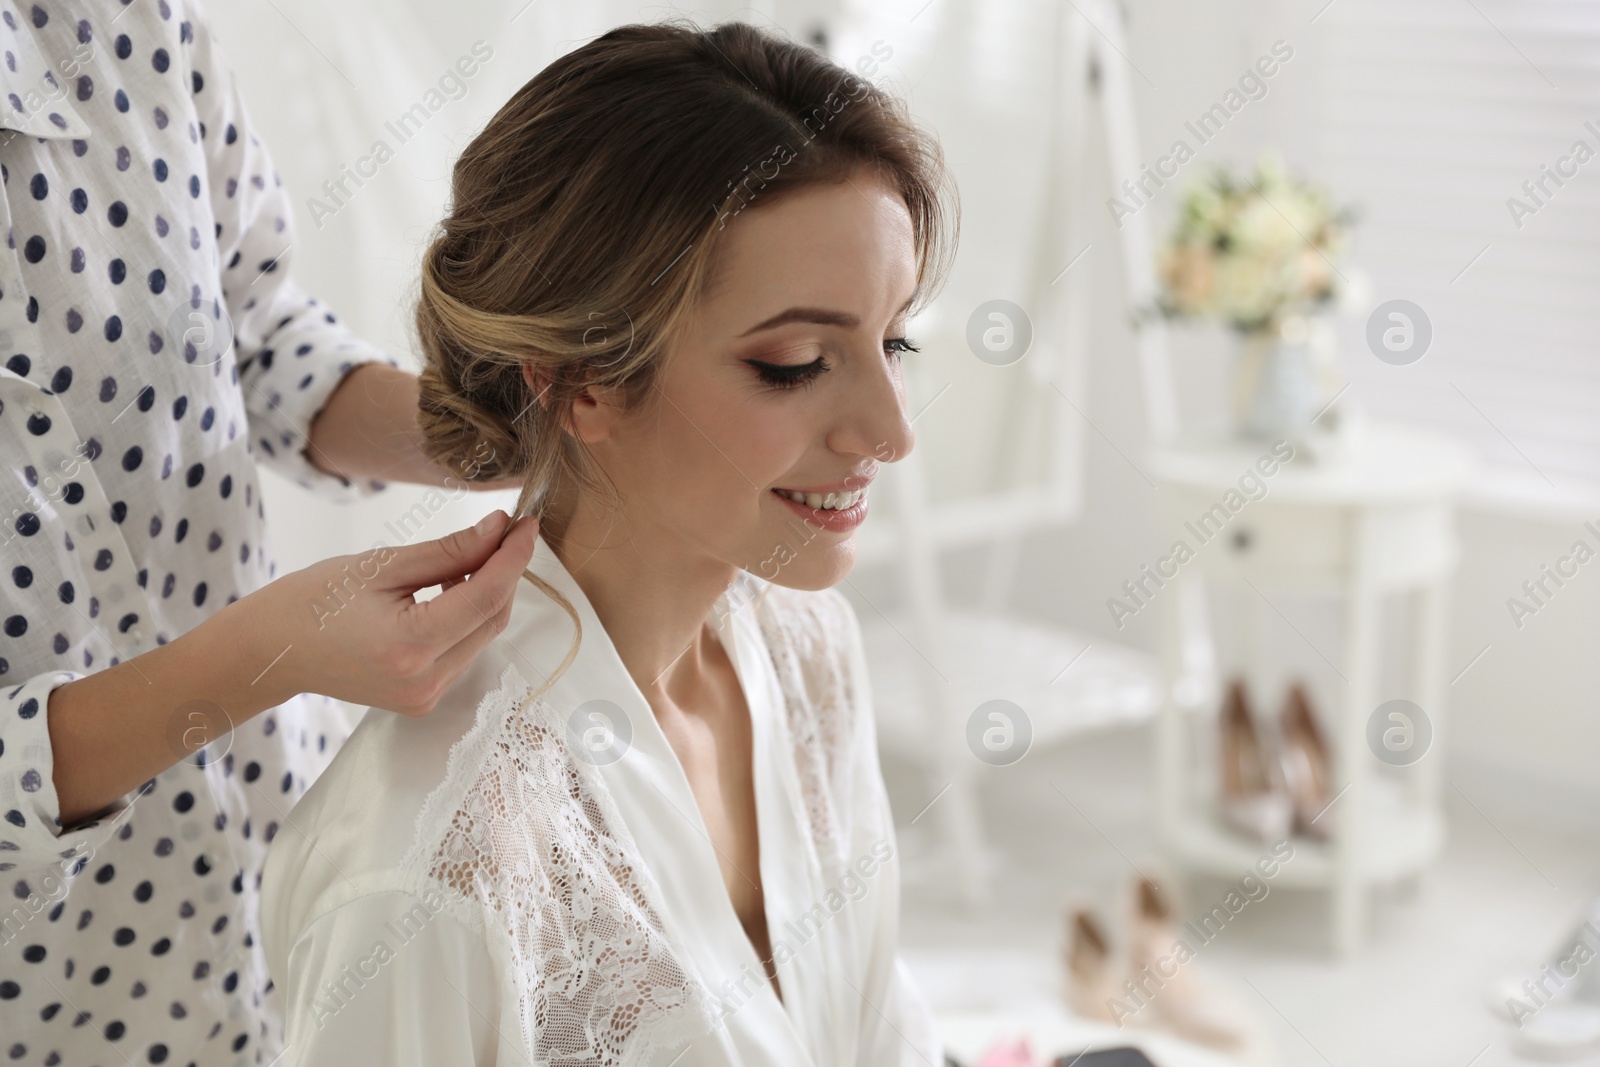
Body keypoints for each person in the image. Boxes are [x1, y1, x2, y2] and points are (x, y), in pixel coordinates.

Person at [259, 18, 957, 1066]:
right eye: (795, 362)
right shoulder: (435, 857)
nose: (893, 431)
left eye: (893, 339)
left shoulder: (807, 644)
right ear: (581, 383)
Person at [0, 0, 538, 1063]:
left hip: (263, 865)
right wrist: (262, 657)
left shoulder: (130, 23)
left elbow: (251, 333)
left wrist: (506, 432)